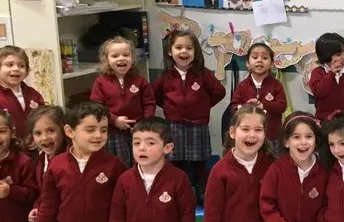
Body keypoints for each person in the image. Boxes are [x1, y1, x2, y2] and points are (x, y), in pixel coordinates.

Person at [153, 30, 226, 205]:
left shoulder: (203, 74)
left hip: (198, 125)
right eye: (179, 47)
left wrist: (202, 105)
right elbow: (153, 95)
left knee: (199, 161)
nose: (184, 52)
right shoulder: (165, 76)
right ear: (170, 51)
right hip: (174, 125)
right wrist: (171, 109)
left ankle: (202, 191)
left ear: (195, 52)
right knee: (176, 161)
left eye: (189, 48)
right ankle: (179, 191)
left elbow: (219, 92)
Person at [90, 37, 156, 167]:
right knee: (117, 165)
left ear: (132, 58)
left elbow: (149, 103)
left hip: (137, 131)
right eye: (115, 56)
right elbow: (96, 107)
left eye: (126, 55)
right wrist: (114, 120)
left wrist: (144, 123)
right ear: (106, 60)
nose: (121, 58)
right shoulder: (101, 82)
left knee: (139, 163)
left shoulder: (140, 81)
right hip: (113, 133)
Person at [230, 43, 287, 153]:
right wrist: (245, 107)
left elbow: (282, 106)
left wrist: (263, 105)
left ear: (271, 64)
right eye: (255, 57)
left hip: (271, 135)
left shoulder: (276, 85)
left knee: (271, 164)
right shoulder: (242, 86)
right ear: (248, 63)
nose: (259, 60)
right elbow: (233, 107)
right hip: (249, 136)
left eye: (265, 58)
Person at [0, 45, 45, 136]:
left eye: (21, 65)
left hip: (35, 147)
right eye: (10, 65)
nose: (16, 69)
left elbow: (44, 119)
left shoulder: (34, 94)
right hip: (6, 148)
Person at [309, 33, 344, 121]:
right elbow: (319, 92)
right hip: (326, 121)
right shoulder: (318, 72)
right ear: (325, 55)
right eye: (338, 54)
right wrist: (331, 73)